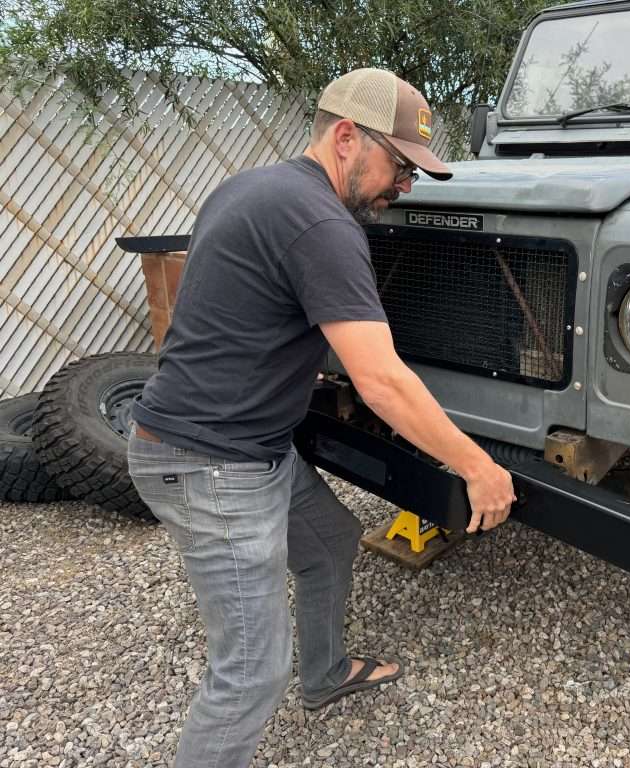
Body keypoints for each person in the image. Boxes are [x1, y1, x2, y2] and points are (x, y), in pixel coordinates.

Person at [127, 68, 516, 768]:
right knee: (249, 672)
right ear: (346, 138)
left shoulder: (250, 186)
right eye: (400, 165)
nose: (406, 186)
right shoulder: (321, 224)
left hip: (247, 447)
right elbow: (382, 382)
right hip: (211, 463)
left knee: (331, 539)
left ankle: (326, 674)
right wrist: (478, 466)